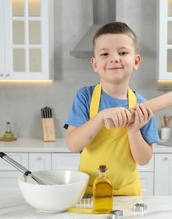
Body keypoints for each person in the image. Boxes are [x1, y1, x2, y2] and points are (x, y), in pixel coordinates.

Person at [64, 22, 159, 196]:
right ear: (95, 64)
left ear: (136, 61)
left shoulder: (142, 106)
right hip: (89, 192)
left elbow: (144, 159)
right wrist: (100, 117)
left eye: (122, 52)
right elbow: (73, 144)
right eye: (105, 54)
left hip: (128, 193)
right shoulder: (85, 97)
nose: (114, 58)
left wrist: (133, 130)